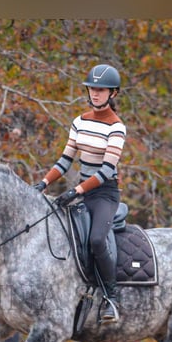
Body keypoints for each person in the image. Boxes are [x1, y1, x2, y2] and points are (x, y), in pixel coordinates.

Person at [34, 64, 126, 324]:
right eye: (92, 89)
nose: (95, 94)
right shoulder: (79, 122)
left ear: (113, 94)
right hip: (83, 191)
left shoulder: (117, 128)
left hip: (104, 194)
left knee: (97, 240)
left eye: (101, 90)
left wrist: (75, 190)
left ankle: (111, 298)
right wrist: (43, 183)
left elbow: (107, 170)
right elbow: (65, 161)